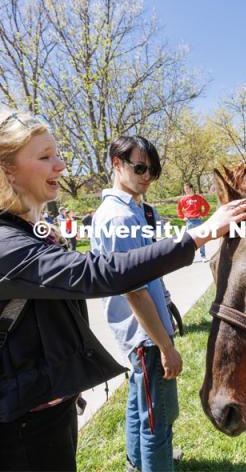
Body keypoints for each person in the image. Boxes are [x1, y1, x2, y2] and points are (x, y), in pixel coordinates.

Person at [0, 106, 246, 472]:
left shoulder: (29, 230)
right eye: (45, 157)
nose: (60, 165)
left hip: (44, 411)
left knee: (145, 409)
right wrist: (201, 233)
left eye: (58, 154)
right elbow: (108, 275)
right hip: (23, 427)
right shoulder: (9, 243)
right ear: (7, 168)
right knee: (157, 417)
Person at [91, 135, 186, 472]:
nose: (147, 176)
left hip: (146, 328)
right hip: (145, 334)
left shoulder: (136, 211)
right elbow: (135, 291)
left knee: (140, 401)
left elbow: (149, 274)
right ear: (117, 164)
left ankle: (137, 462)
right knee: (157, 418)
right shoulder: (119, 219)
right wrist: (165, 346)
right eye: (141, 167)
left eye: (153, 169)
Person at [177, 183, 210, 262]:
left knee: (201, 238)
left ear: (191, 188)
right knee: (189, 240)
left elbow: (207, 206)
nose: (186, 191)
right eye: (185, 189)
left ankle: (203, 256)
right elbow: (179, 209)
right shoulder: (183, 199)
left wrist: (203, 214)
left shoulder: (199, 198)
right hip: (189, 221)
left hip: (198, 220)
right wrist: (182, 217)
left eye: (187, 189)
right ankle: (190, 258)